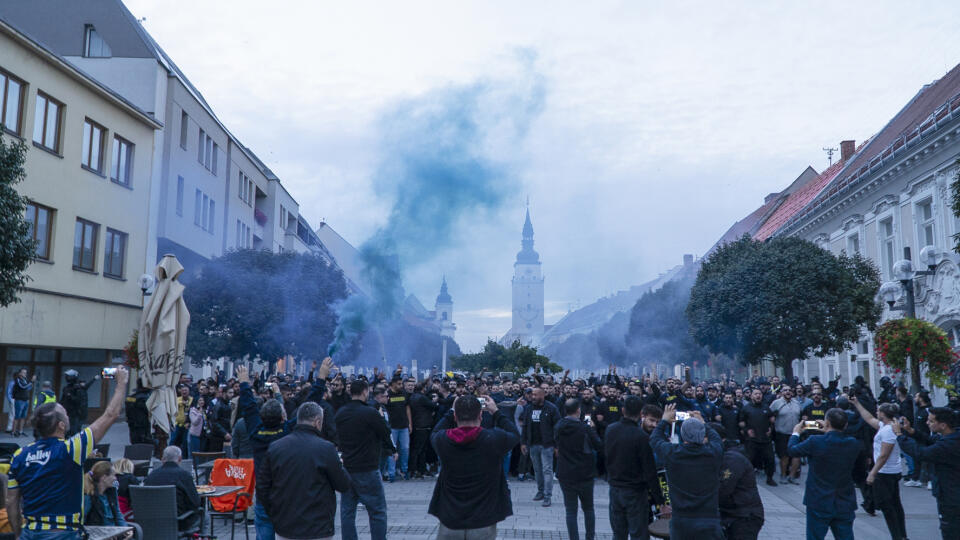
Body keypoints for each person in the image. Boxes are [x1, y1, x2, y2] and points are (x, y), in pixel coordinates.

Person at [5, 366, 128, 539]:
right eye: (65, 414)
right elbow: (110, 415)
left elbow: (11, 501)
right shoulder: (71, 449)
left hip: (30, 532)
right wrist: (121, 383)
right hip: (62, 533)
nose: (68, 416)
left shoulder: (20, 455)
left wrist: (19, 534)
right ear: (61, 425)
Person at [429, 394, 520, 539]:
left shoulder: (443, 440)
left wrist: (451, 411)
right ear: (480, 415)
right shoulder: (494, 439)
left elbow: (433, 432)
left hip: (450, 517)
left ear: (455, 417)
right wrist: (496, 412)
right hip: (484, 517)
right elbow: (514, 434)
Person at [258, 402, 351, 540]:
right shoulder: (326, 449)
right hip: (318, 526)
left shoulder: (276, 447)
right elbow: (343, 484)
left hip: (285, 525)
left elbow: (262, 486)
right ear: (317, 422)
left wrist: (274, 513)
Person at [787, 408, 864, 540]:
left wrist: (795, 433)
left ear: (827, 423)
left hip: (818, 499)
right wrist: (829, 431)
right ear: (845, 425)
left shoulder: (815, 441)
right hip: (844, 500)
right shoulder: (854, 444)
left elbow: (792, 451)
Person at [335, 379, 397, 540]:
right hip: (367, 468)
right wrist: (392, 449)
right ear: (364, 392)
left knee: (347, 511)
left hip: (347, 467)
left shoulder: (341, 413)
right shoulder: (370, 413)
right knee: (377, 511)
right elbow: (385, 432)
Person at [650, 405, 724, 539]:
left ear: (682, 435)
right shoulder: (713, 453)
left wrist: (664, 421)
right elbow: (717, 439)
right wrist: (703, 423)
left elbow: (654, 439)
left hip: (681, 520)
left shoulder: (672, 453)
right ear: (703, 436)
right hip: (708, 519)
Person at [895, 407, 960, 539]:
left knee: (950, 530)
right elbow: (931, 440)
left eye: (931, 421)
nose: (927, 423)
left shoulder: (948, 445)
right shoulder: (952, 437)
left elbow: (920, 453)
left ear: (943, 425)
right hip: (950, 493)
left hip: (951, 496)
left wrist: (900, 436)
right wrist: (911, 431)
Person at [605, 395, 664, 540]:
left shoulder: (610, 429)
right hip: (635, 492)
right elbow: (650, 472)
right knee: (639, 534)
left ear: (623, 410)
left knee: (618, 533)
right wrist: (660, 501)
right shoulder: (642, 437)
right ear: (640, 414)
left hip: (615, 488)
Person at [852, 398, 907, 540]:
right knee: (894, 504)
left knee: (888, 506)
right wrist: (857, 403)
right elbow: (869, 419)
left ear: (883, 413)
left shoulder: (888, 431)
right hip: (889, 471)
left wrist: (873, 472)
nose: (876, 412)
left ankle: (898, 535)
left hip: (885, 473)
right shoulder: (885, 426)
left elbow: (884, 455)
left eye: (878, 410)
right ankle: (901, 535)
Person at [555, 398, 602, 540]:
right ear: (578, 411)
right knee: (588, 508)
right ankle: (590, 537)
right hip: (584, 473)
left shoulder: (558, 426)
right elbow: (599, 446)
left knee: (570, 510)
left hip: (565, 472)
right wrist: (592, 428)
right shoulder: (585, 428)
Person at [710, 423, 763, 540]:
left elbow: (723, 489)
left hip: (744, 517)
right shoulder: (722, 455)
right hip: (734, 514)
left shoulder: (731, 458)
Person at [144, 446, 201, 532]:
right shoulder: (184, 475)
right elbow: (195, 503)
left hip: (152, 523)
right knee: (205, 516)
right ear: (180, 459)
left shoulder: (151, 476)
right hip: (179, 522)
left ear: (163, 459)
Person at [520, 387, 561, 507]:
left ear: (542, 395)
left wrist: (557, 446)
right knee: (537, 470)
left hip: (547, 445)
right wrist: (523, 442)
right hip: (533, 444)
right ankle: (540, 491)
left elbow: (557, 428)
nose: (532, 397)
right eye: (532, 394)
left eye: (535, 394)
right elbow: (525, 426)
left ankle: (548, 496)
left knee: (547, 470)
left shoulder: (552, 408)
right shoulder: (528, 408)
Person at [82, 460, 136, 539]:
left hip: (113, 533)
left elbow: (117, 514)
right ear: (104, 478)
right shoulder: (89, 497)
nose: (115, 478)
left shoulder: (111, 492)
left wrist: (125, 529)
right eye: (113, 475)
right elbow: (82, 522)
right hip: (99, 535)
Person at [739, 389, 777, 486]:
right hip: (752, 440)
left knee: (770, 459)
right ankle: (746, 480)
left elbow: (772, 420)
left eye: (759, 394)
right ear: (751, 396)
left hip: (765, 439)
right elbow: (741, 423)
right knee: (749, 460)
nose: (758, 395)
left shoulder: (766, 407)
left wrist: (770, 429)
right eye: (756, 394)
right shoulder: (746, 408)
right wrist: (747, 430)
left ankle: (769, 478)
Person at [770, 388, 802, 484]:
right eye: (785, 390)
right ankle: (783, 475)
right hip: (782, 434)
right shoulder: (776, 403)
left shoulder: (797, 403)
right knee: (784, 456)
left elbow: (801, 416)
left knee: (796, 455)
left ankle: (792, 477)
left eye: (789, 390)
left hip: (795, 434)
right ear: (781, 393)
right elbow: (769, 415)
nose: (788, 392)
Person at [11, 369, 34, 437]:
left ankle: (21, 431)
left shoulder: (25, 380)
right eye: (23, 372)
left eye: (26, 373)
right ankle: (13, 431)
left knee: (23, 416)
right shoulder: (18, 380)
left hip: (26, 400)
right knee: (17, 416)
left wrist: (31, 385)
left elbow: (27, 389)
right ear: (20, 373)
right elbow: (23, 387)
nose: (25, 374)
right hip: (19, 400)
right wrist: (31, 381)